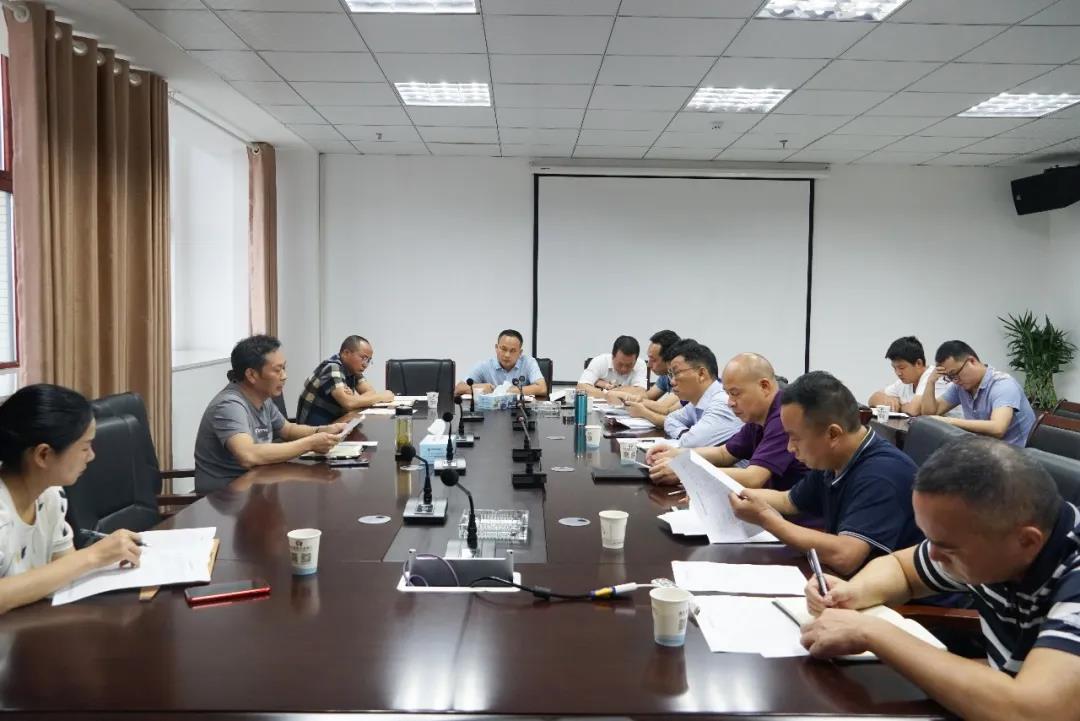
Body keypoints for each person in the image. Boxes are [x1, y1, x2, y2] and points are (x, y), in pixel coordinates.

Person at [800, 437, 1080, 721]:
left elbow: (1035, 712)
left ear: (1027, 541)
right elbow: (902, 569)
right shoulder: (995, 541)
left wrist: (871, 632)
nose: (933, 555)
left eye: (948, 548)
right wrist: (851, 592)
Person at [726, 371, 923, 576]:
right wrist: (730, 493)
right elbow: (788, 501)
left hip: (897, 595)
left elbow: (845, 556)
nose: (790, 448)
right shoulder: (835, 458)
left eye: (795, 438)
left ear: (833, 434)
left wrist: (766, 519)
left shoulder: (881, 475)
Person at [0, 384, 143, 614]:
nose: (92, 456)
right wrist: (93, 556)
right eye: (85, 447)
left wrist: (107, 559)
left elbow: (65, 567)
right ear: (43, 455)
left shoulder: (50, 495)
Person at [194, 335, 346, 493]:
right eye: (277, 370)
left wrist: (323, 430)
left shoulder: (263, 399)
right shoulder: (229, 405)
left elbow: (288, 430)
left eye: (284, 368)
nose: (284, 376)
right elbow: (248, 455)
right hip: (226, 496)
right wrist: (310, 444)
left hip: (257, 485)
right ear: (251, 375)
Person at [646, 353, 807, 490]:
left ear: (764, 386)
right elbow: (724, 454)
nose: (730, 403)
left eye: (735, 393)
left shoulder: (784, 416)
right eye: (728, 394)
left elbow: (753, 478)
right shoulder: (757, 417)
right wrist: (676, 453)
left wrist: (686, 470)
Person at [920, 340, 1036, 447]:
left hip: (1016, 454)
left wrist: (949, 421)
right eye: (950, 377)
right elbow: (931, 413)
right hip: (985, 449)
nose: (955, 380)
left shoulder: (1003, 384)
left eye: (955, 373)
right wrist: (930, 382)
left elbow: (998, 428)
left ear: (972, 361)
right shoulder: (960, 386)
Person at [646, 339, 742, 449]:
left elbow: (691, 444)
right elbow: (670, 420)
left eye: (676, 373)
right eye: (671, 375)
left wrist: (688, 437)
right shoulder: (697, 401)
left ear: (701, 374)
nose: (672, 382)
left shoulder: (722, 403)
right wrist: (684, 434)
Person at [296, 335, 395, 426]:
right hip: (313, 431)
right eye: (363, 358)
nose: (365, 364)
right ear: (346, 353)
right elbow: (349, 404)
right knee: (358, 415)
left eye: (368, 360)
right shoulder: (332, 367)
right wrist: (380, 397)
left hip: (332, 423)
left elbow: (370, 392)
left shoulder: (352, 370)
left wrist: (354, 399)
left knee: (360, 414)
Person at [867, 336, 951, 416]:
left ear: (918, 363)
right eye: (894, 368)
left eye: (901, 368)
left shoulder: (933, 376)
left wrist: (898, 405)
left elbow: (914, 410)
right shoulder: (905, 381)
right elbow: (873, 399)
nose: (898, 373)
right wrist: (888, 399)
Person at [454, 329, 547, 397]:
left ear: (520, 353)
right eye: (503, 349)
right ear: (496, 348)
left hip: (520, 412)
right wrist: (480, 387)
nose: (507, 355)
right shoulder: (484, 365)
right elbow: (459, 388)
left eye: (513, 351)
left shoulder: (528, 363)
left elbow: (542, 388)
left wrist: (508, 391)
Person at [618, 330, 683, 427]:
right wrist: (630, 396)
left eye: (653, 360)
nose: (648, 365)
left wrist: (633, 401)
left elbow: (665, 409)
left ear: (669, 359)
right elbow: (648, 396)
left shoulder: (684, 378)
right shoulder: (666, 375)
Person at [577, 335, 647, 399]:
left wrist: (613, 390)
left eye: (629, 365)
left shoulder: (640, 364)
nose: (624, 369)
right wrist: (608, 395)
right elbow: (581, 387)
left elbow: (641, 392)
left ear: (636, 360)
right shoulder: (600, 361)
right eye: (620, 364)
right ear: (613, 357)